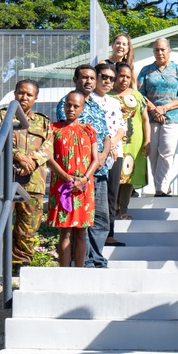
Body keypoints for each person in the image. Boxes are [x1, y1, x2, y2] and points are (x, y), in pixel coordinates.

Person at [0, 79, 53, 274]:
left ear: (35, 98)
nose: (24, 97)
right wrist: (18, 156)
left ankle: (20, 265)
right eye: (21, 93)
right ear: (15, 94)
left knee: (28, 227)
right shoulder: (2, 116)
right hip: (6, 180)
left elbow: (48, 148)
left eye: (29, 95)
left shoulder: (43, 122)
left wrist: (31, 161)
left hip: (33, 182)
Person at [56, 65, 112, 267]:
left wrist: (103, 156)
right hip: (76, 174)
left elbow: (106, 135)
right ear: (75, 79)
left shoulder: (97, 105)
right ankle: (82, 262)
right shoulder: (67, 102)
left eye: (91, 78)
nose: (88, 81)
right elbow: (66, 137)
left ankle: (96, 259)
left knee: (99, 219)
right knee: (75, 223)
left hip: (99, 170)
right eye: (84, 77)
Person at [47, 91, 101, 267]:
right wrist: (67, 177)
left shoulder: (89, 130)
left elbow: (95, 158)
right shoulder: (53, 129)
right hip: (62, 185)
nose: (71, 109)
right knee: (65, 231)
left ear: (82, 108)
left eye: (76, 106)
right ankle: (64, 271)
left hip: (83, 188)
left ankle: (79, 272)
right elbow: (49, 158)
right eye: (68, 105)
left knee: (81, 232)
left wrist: (84, 179)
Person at [138, 37, 178, 196]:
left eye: (163, 49)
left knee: (166, 152)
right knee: (153, 153)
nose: (160, 52)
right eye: (156, 50)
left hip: (174, 117)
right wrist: (154, 110)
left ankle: (161, 189)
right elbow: (140, 94)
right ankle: (162, 187)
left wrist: (164, 108)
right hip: (150, 117)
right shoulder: (146, 70)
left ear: (169, 51)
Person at [89, 63, 126, 247]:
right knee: (95, 194)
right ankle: (91, 234)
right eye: (104, 77)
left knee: (112, 194)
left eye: (112, 78)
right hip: (95, 153)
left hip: (114, 152)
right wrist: (105, 146)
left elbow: (121, 127)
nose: (108, 81)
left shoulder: (114, 101)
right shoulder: (88, 100)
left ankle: (109, 233)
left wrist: (112, 143)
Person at [108, 62, 150, 221]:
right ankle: (113, 209)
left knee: (128, 176)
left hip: (134, 143)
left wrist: (148, 141)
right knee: (114, 176)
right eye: (121, 76)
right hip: (114, 143)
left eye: (127, 76)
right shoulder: (108, 95)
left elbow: (145, 119)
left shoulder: (138, 96)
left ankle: (123, 210)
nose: (124, 79)